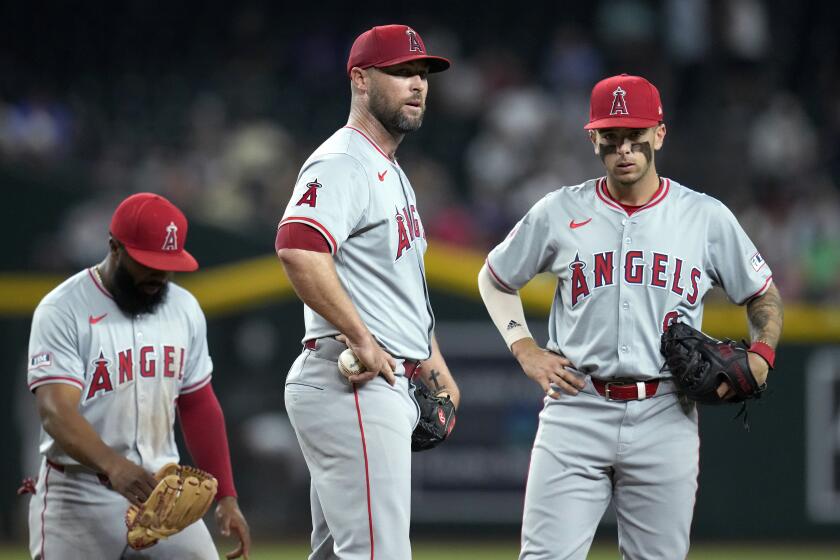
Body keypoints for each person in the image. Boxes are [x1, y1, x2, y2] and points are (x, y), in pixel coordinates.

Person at [477, 74, 784, 559]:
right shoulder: (559, 211)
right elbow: (495, 278)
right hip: (576, 407)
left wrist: (763, 352)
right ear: (592, 137)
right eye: (612, 138)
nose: (624, 150)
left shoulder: (703, 217)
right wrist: (524, 348)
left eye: (636, 138)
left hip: (666, 409)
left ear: (659, 135)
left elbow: (762, 295)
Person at [274, 24, 460, 560]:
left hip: (378, 379)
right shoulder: (343, 162)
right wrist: (363, 337)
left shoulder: (389, 170)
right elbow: (299, 248)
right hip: (351, 380)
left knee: (339, 553)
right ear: (360, 79)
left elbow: (395, 287)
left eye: (422, 73)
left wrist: (431, 362)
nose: (417, 84)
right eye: (401, 72)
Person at [25, 192, 251, 559]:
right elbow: (55, 411)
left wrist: (226, 495)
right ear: (115, 247)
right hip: (79, 495)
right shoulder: (63, 309)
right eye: (148, 262)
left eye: (168, 262)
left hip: (162, 495)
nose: (159, 274)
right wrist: (114, 465)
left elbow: (198, 405)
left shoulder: (184, 308)